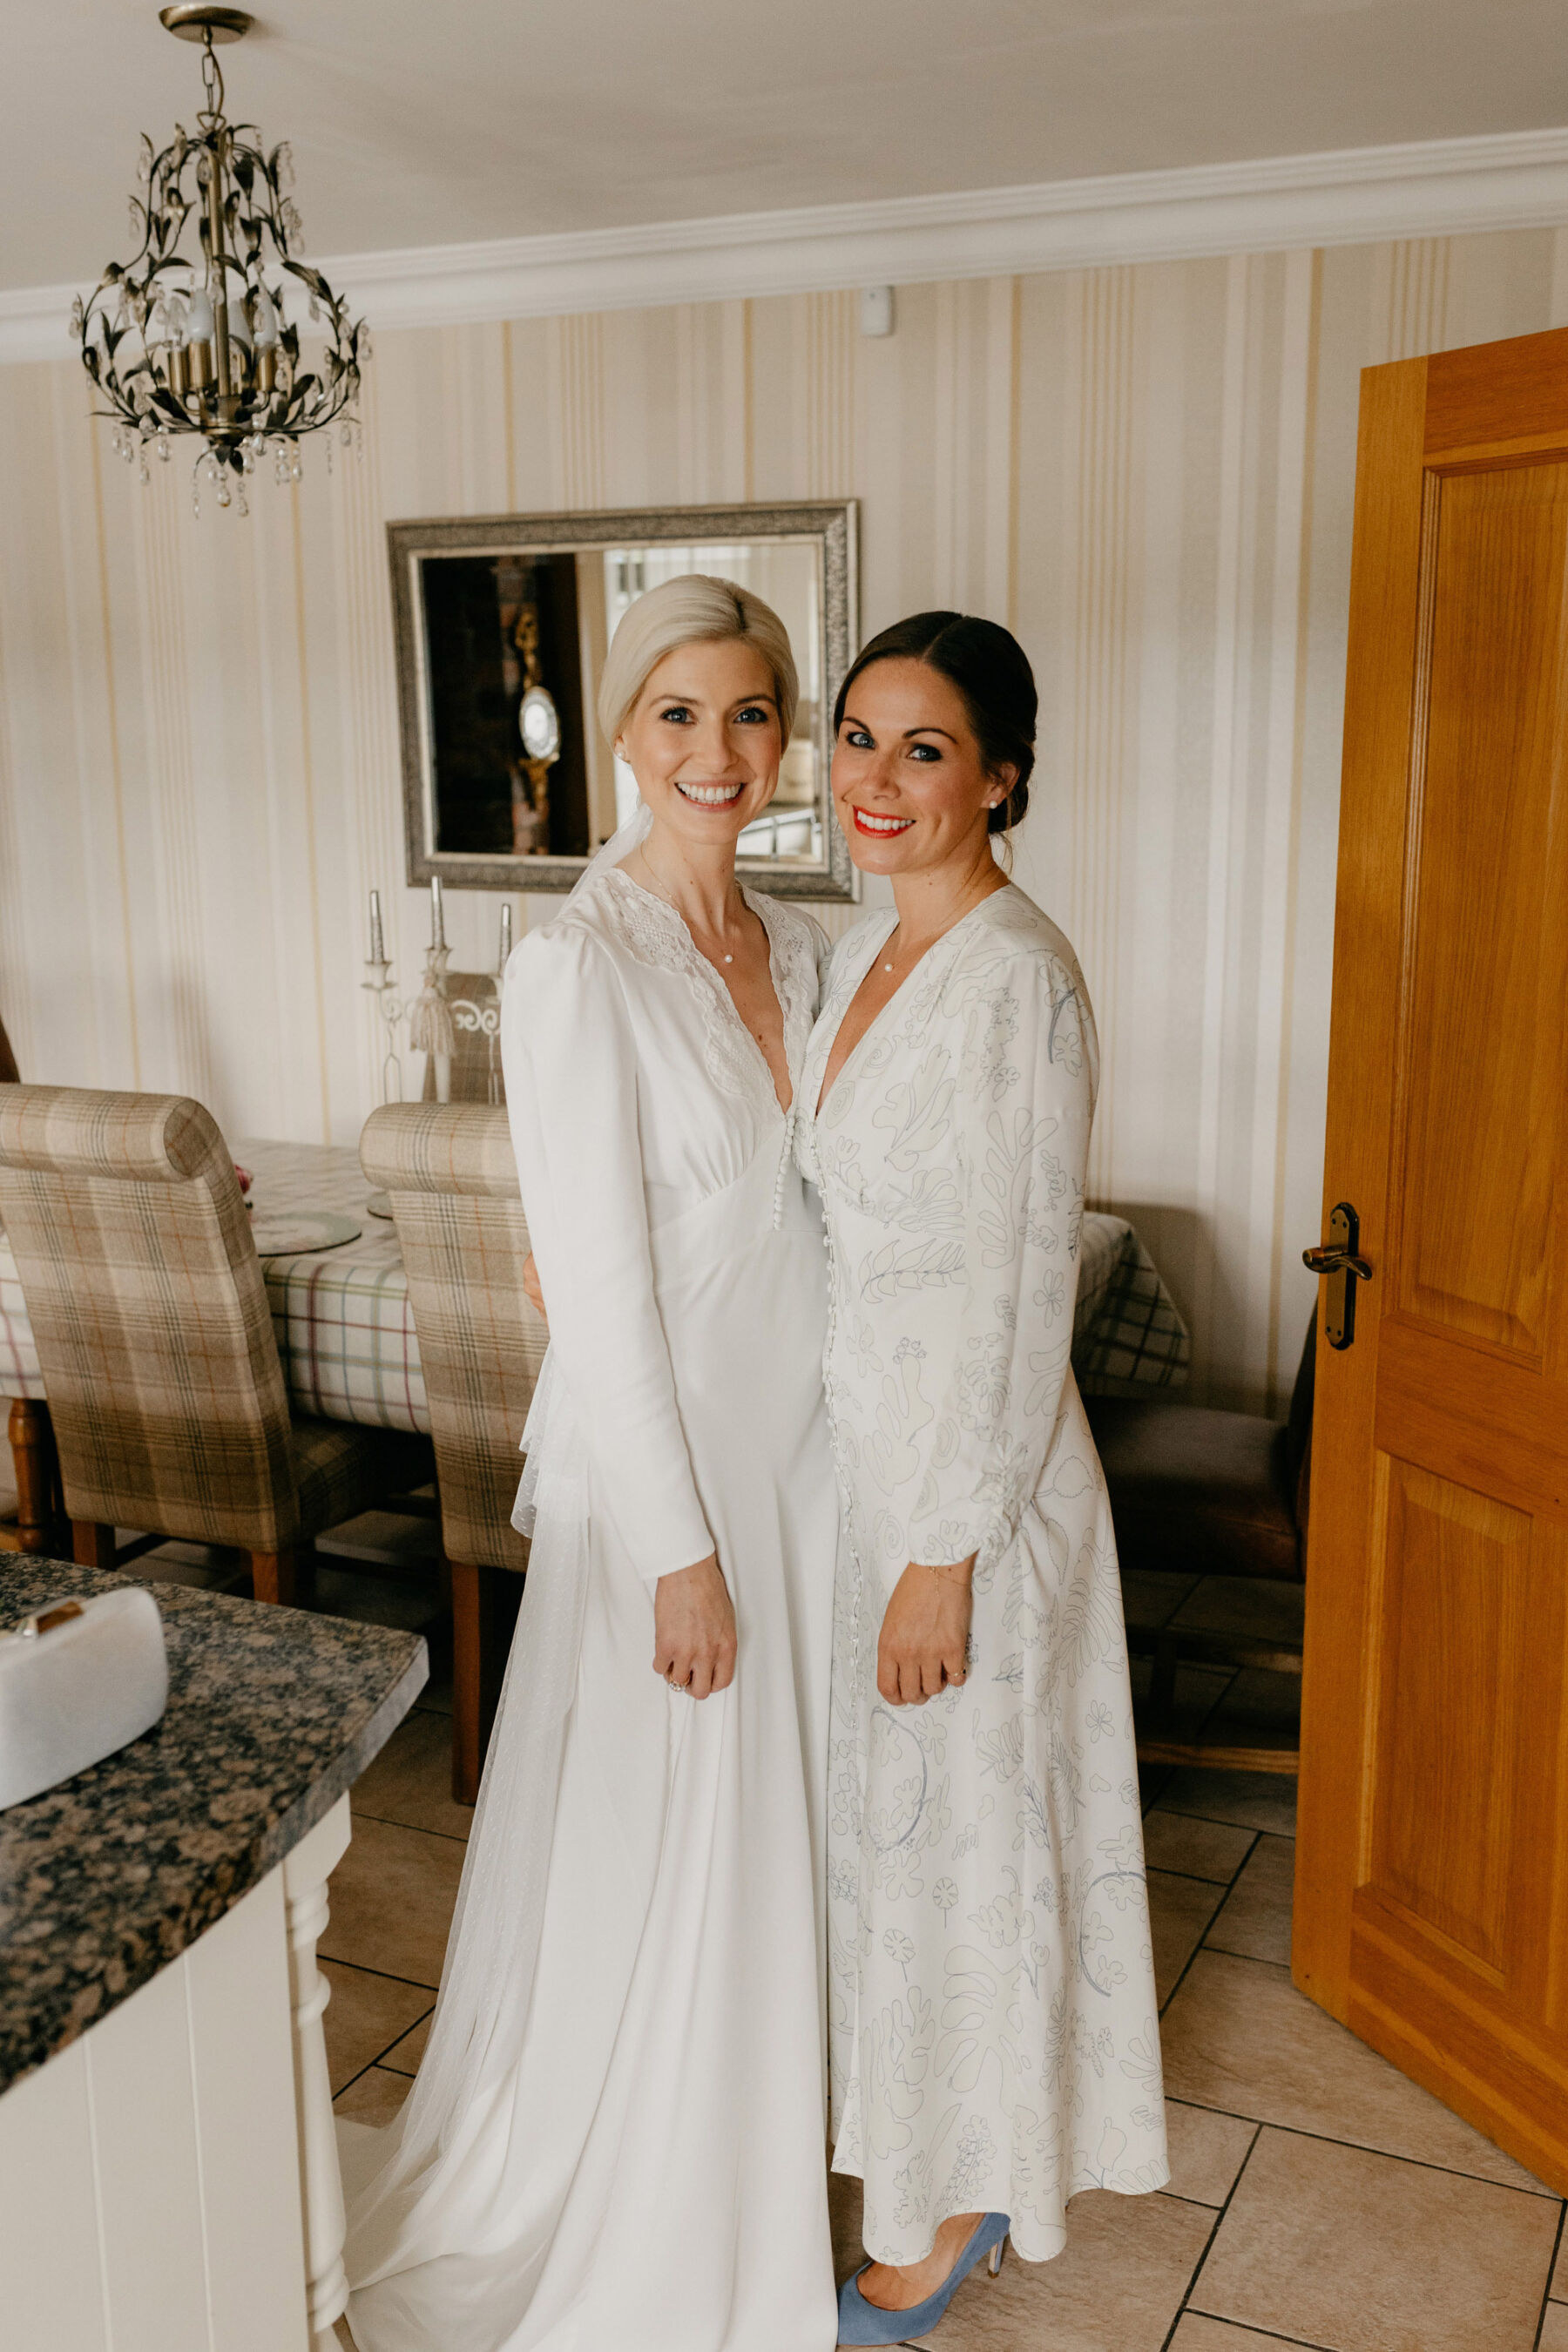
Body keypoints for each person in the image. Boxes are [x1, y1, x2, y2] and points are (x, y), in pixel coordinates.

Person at [341, 575, 840, 2352]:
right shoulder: (572, 961)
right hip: (678, 1475)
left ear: (785, 733)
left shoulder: (807, 936)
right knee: (671, 1837)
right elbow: (602, 1297)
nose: (719, 750)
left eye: (751, 712)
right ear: (624, 733)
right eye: (680, 714)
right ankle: (656, 2223)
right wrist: (678, 1547)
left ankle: (766, 2172)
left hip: (811, 1463)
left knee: (776, 1833)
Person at [796, 613, 1168, 2345]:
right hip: (857, 1462)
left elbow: (1029, 1286)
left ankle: (951, 2213)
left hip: (967, 1486)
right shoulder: (864, 956)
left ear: (1002, 774)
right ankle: (910, 2147)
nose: (875, 780)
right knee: (893, 1850)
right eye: (858, 738)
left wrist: (945, 1550)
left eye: (923, 749)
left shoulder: (1019, 974)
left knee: (960, 1853)